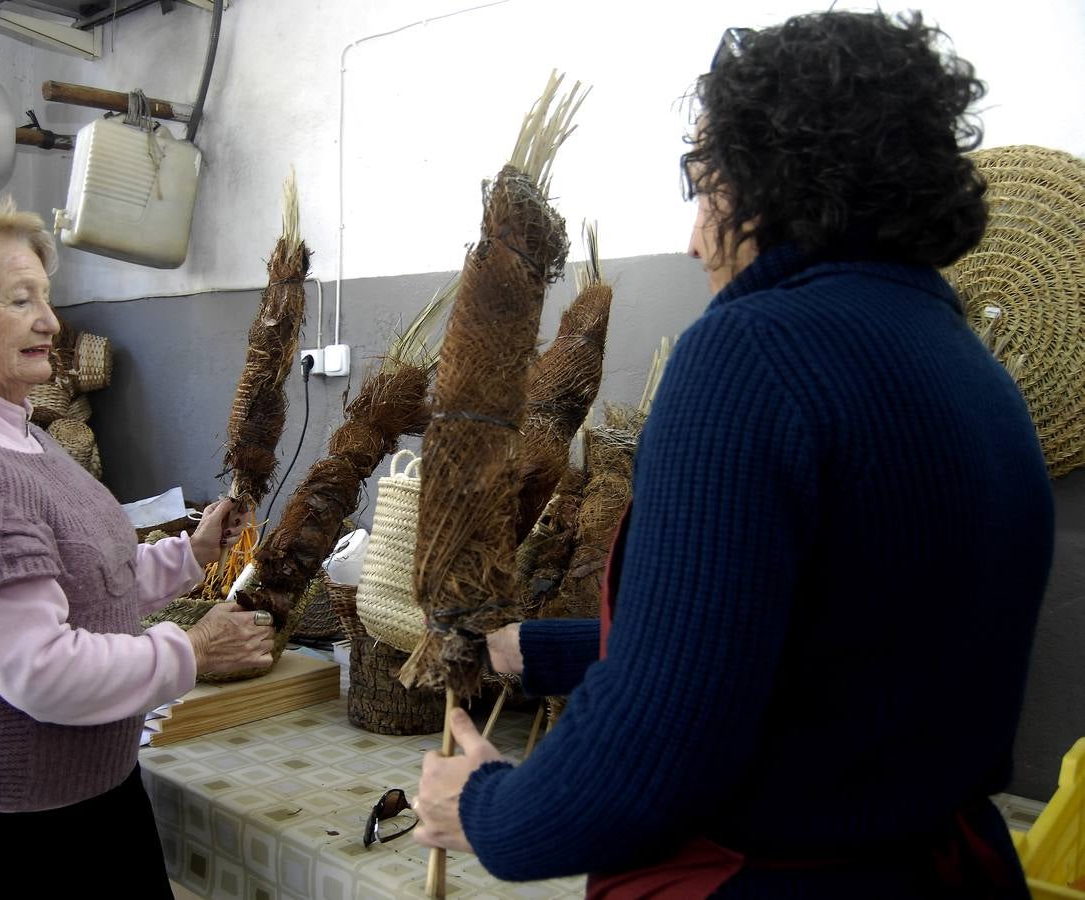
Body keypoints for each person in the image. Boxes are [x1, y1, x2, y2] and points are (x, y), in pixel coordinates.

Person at [413, 11, 1054, 898]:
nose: (691, 236)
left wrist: (486, 807)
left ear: (770, 177)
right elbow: (826, 644)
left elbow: (652, 756)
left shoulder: (749, 354)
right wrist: (547, 647)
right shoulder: (971, 371)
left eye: (701, 185)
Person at [0, 195, 274, 898]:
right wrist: (194, 651)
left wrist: (192, 554)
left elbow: (83, 579)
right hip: (9, 828)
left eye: (45, 298)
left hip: (81, 796)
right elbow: (42, 672)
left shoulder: (17, 430)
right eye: (19, 300)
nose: (49, 322)